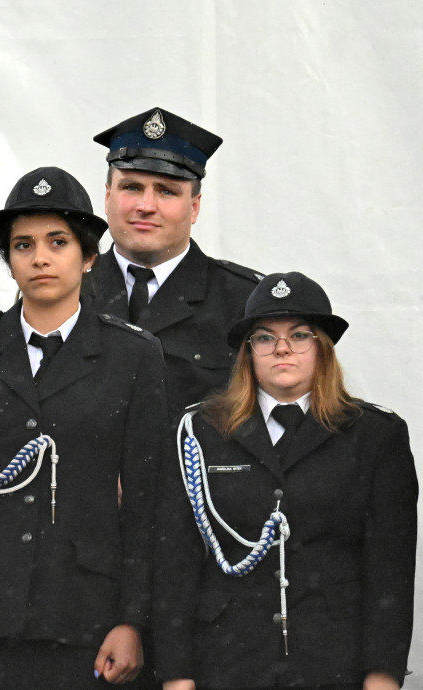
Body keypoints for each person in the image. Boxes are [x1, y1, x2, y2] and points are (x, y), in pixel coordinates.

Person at [0, 167, 170, 688]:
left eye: (58, 242)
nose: (40, 258)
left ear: (90, 256)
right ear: (8, 261)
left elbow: (149, 503)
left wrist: (132, 620)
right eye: (22, 245)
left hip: (85, 615)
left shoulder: (132, 355)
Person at [154, 272, 417, 690]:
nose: (282, 349)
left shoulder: (375, 435)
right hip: (226, 660)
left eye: (299, 335)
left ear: (322, 348)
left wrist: (382, 675)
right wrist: (176, 675)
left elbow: (391, 570)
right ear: (247, 352)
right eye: (264, 337)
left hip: (334, 659)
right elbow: (175, 565)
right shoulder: (200, 434)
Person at [85, 107, 263, 415]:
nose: (146, 206)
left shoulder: (245, 301)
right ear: (107, 197)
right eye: (131, 187)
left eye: (166, 191)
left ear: (194, 208)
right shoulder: (66, 290)